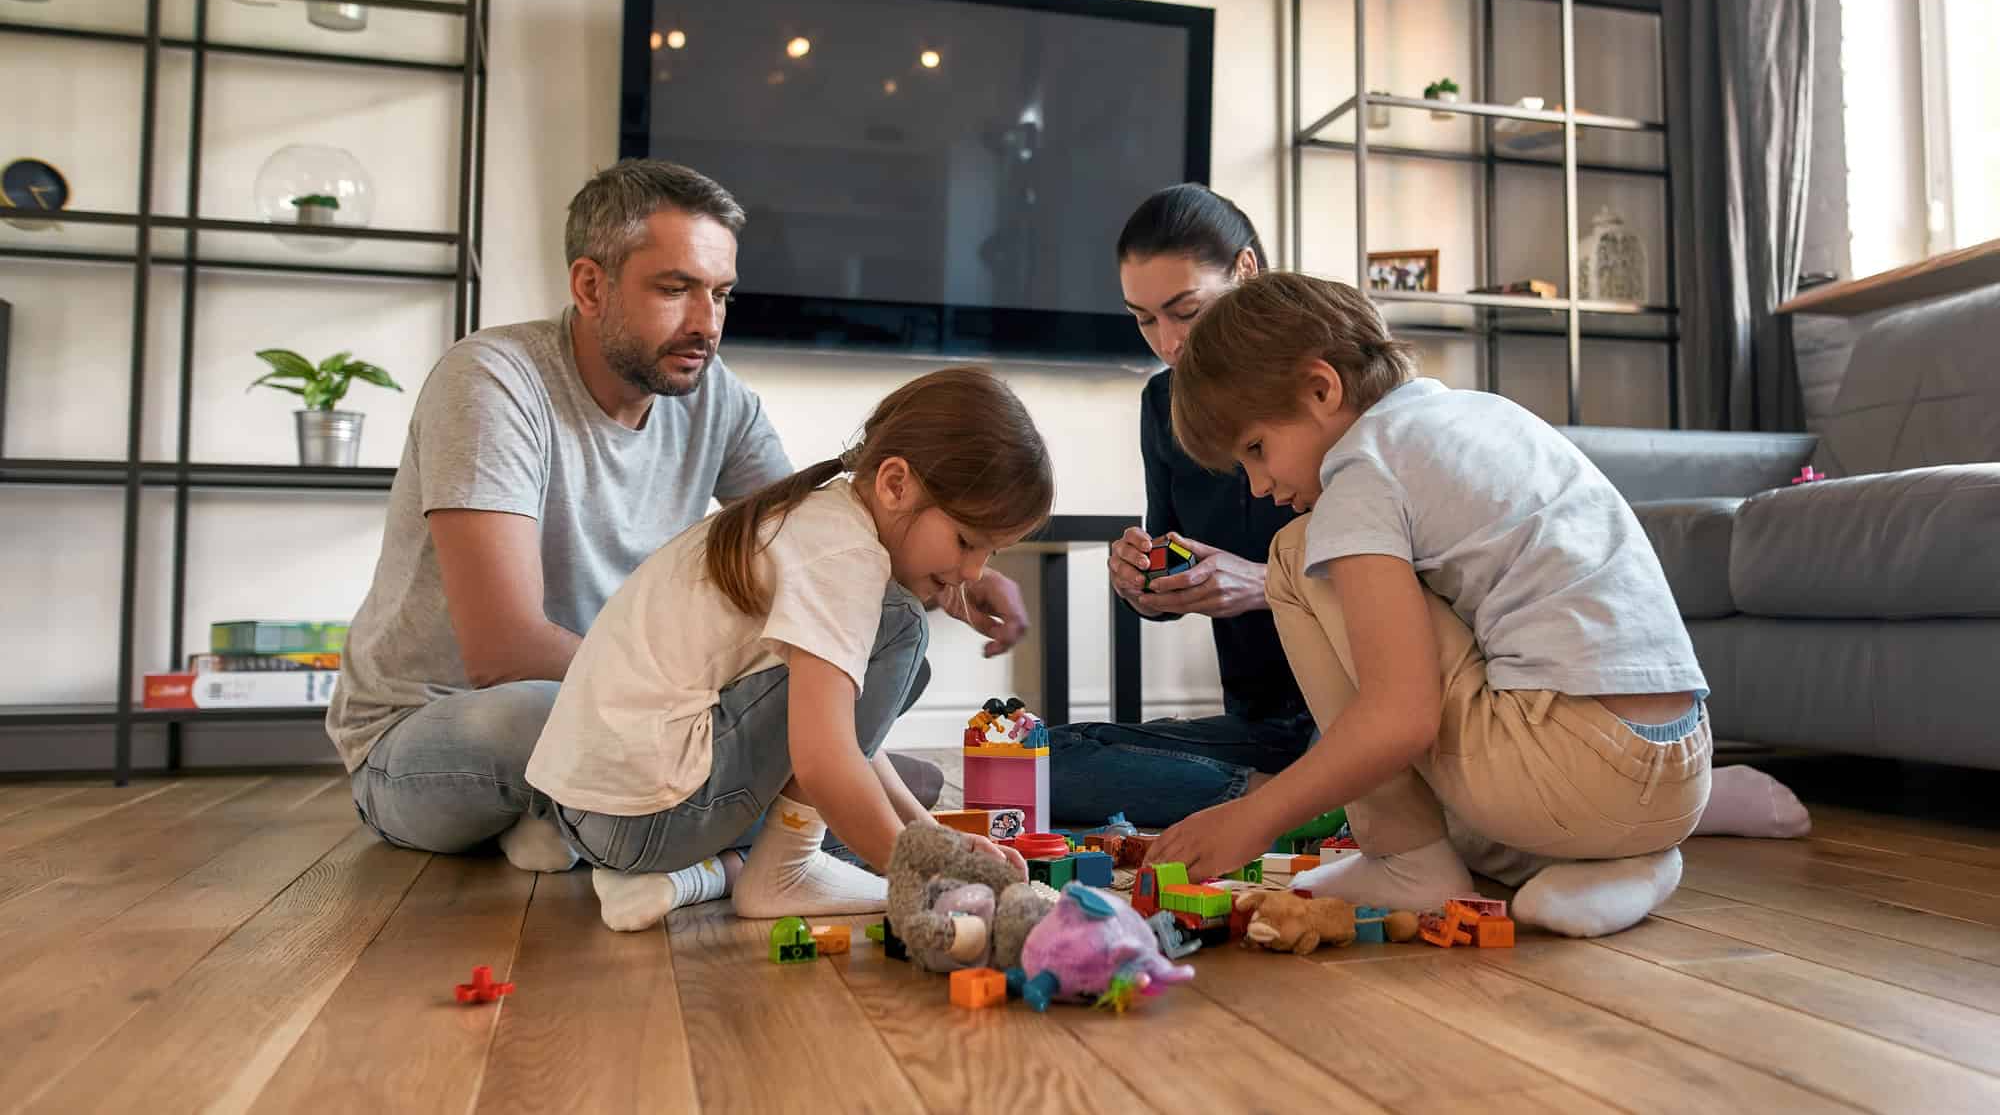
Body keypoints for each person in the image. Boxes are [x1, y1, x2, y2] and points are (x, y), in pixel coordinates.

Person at [327, 160, 1031, 880]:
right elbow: (501, 649)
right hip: (431, 732)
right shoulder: (492, 381)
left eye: (721, 294)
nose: (707, 323)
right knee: (538, 714)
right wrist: (687, 713)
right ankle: (725, 824)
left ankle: (585, 828)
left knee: (879, 647)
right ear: (590, 287)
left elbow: (825, 557)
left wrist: (954, 566)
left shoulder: (716, 399)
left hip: (622, 718)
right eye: (674, 289)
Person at [1148, 272, 1798, 938]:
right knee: (1460, 798)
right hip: (1685, 763)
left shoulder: (1362, 475)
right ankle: (1629, 859)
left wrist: (1253, 818)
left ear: (1322, 389)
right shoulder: (1480, 415)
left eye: (1257, 449)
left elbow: (1399, 718)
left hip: (1575, 764)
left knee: (1295, 554)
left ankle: (1406, 860)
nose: (1260, 486)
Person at [524, 367, 1055, 930]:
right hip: (650, 818)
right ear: (895, 484)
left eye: (990, 554)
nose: (972, 572)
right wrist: (926, 881)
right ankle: (785, 867)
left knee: (863, 797)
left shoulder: (818, 520)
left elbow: (844, 735)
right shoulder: (844, 557)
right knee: (900, 629)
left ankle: (696, 872)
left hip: (589, 816)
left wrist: (935, 838)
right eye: (966, 541)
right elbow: (825, 761)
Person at [1048, 185, 1316, 826]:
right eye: (1144, 320)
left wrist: (1263, 584)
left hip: (1352, 710)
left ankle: (1305, 794)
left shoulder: (1325, 387)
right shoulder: (1161, 404)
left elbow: (1404, 578)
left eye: (1186, 311)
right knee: (1041, 759)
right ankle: (1289, 800)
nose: (1168, 343)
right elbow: (1172, 568)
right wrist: (1141, 581)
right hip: (1260, 725)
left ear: (1245, 270)